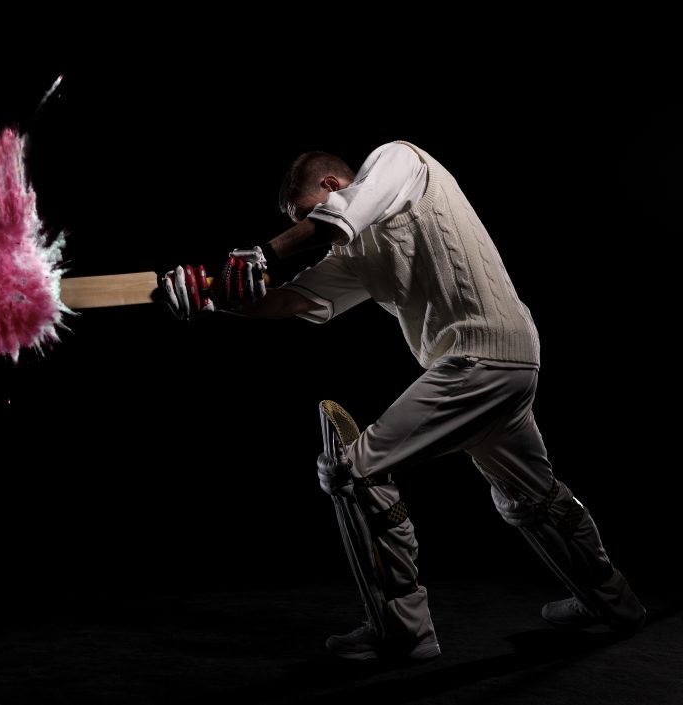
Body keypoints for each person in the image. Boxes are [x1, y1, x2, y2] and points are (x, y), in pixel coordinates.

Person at [161, 140, 646, 662]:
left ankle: (403, 631)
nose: (306, 230)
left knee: (353, 471)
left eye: (304, 215)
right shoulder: (355, 251)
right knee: (533, 497)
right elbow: (292, 300)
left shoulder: (401, 163)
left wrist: (263, 252)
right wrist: (211, 297)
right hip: (504, 364)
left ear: (332, 187)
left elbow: (328, 226)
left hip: (477, 357)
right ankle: (613, 603)